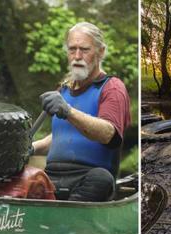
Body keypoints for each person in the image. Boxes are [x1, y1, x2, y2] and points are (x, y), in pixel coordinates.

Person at [31, 22, 131, 202]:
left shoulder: (112, 88)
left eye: (84, 49)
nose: (77, 56)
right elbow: (61, 136)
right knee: (28, 176)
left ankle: (68, 216)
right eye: (72, 49)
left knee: (101, 178)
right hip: (52, 176)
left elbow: (108, 133)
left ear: (100, 52)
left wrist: (68, 111)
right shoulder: (63, 90)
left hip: (89, 178)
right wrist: (31, 148)